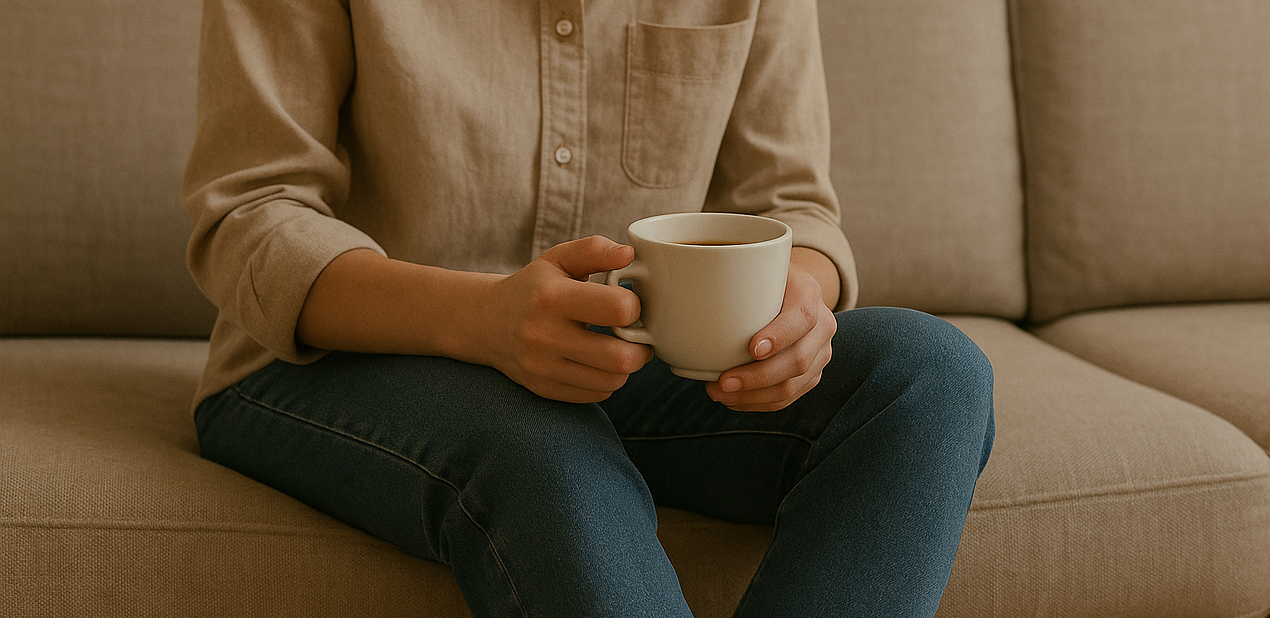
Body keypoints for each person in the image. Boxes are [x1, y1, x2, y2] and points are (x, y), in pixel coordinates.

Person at [181, 0, 995, 616]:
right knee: (541, 446)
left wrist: (800, 302)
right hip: (334, 360)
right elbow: (251, 214)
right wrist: (482, 319)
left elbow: (791, 206)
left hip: (631, 362)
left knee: (928, 375)